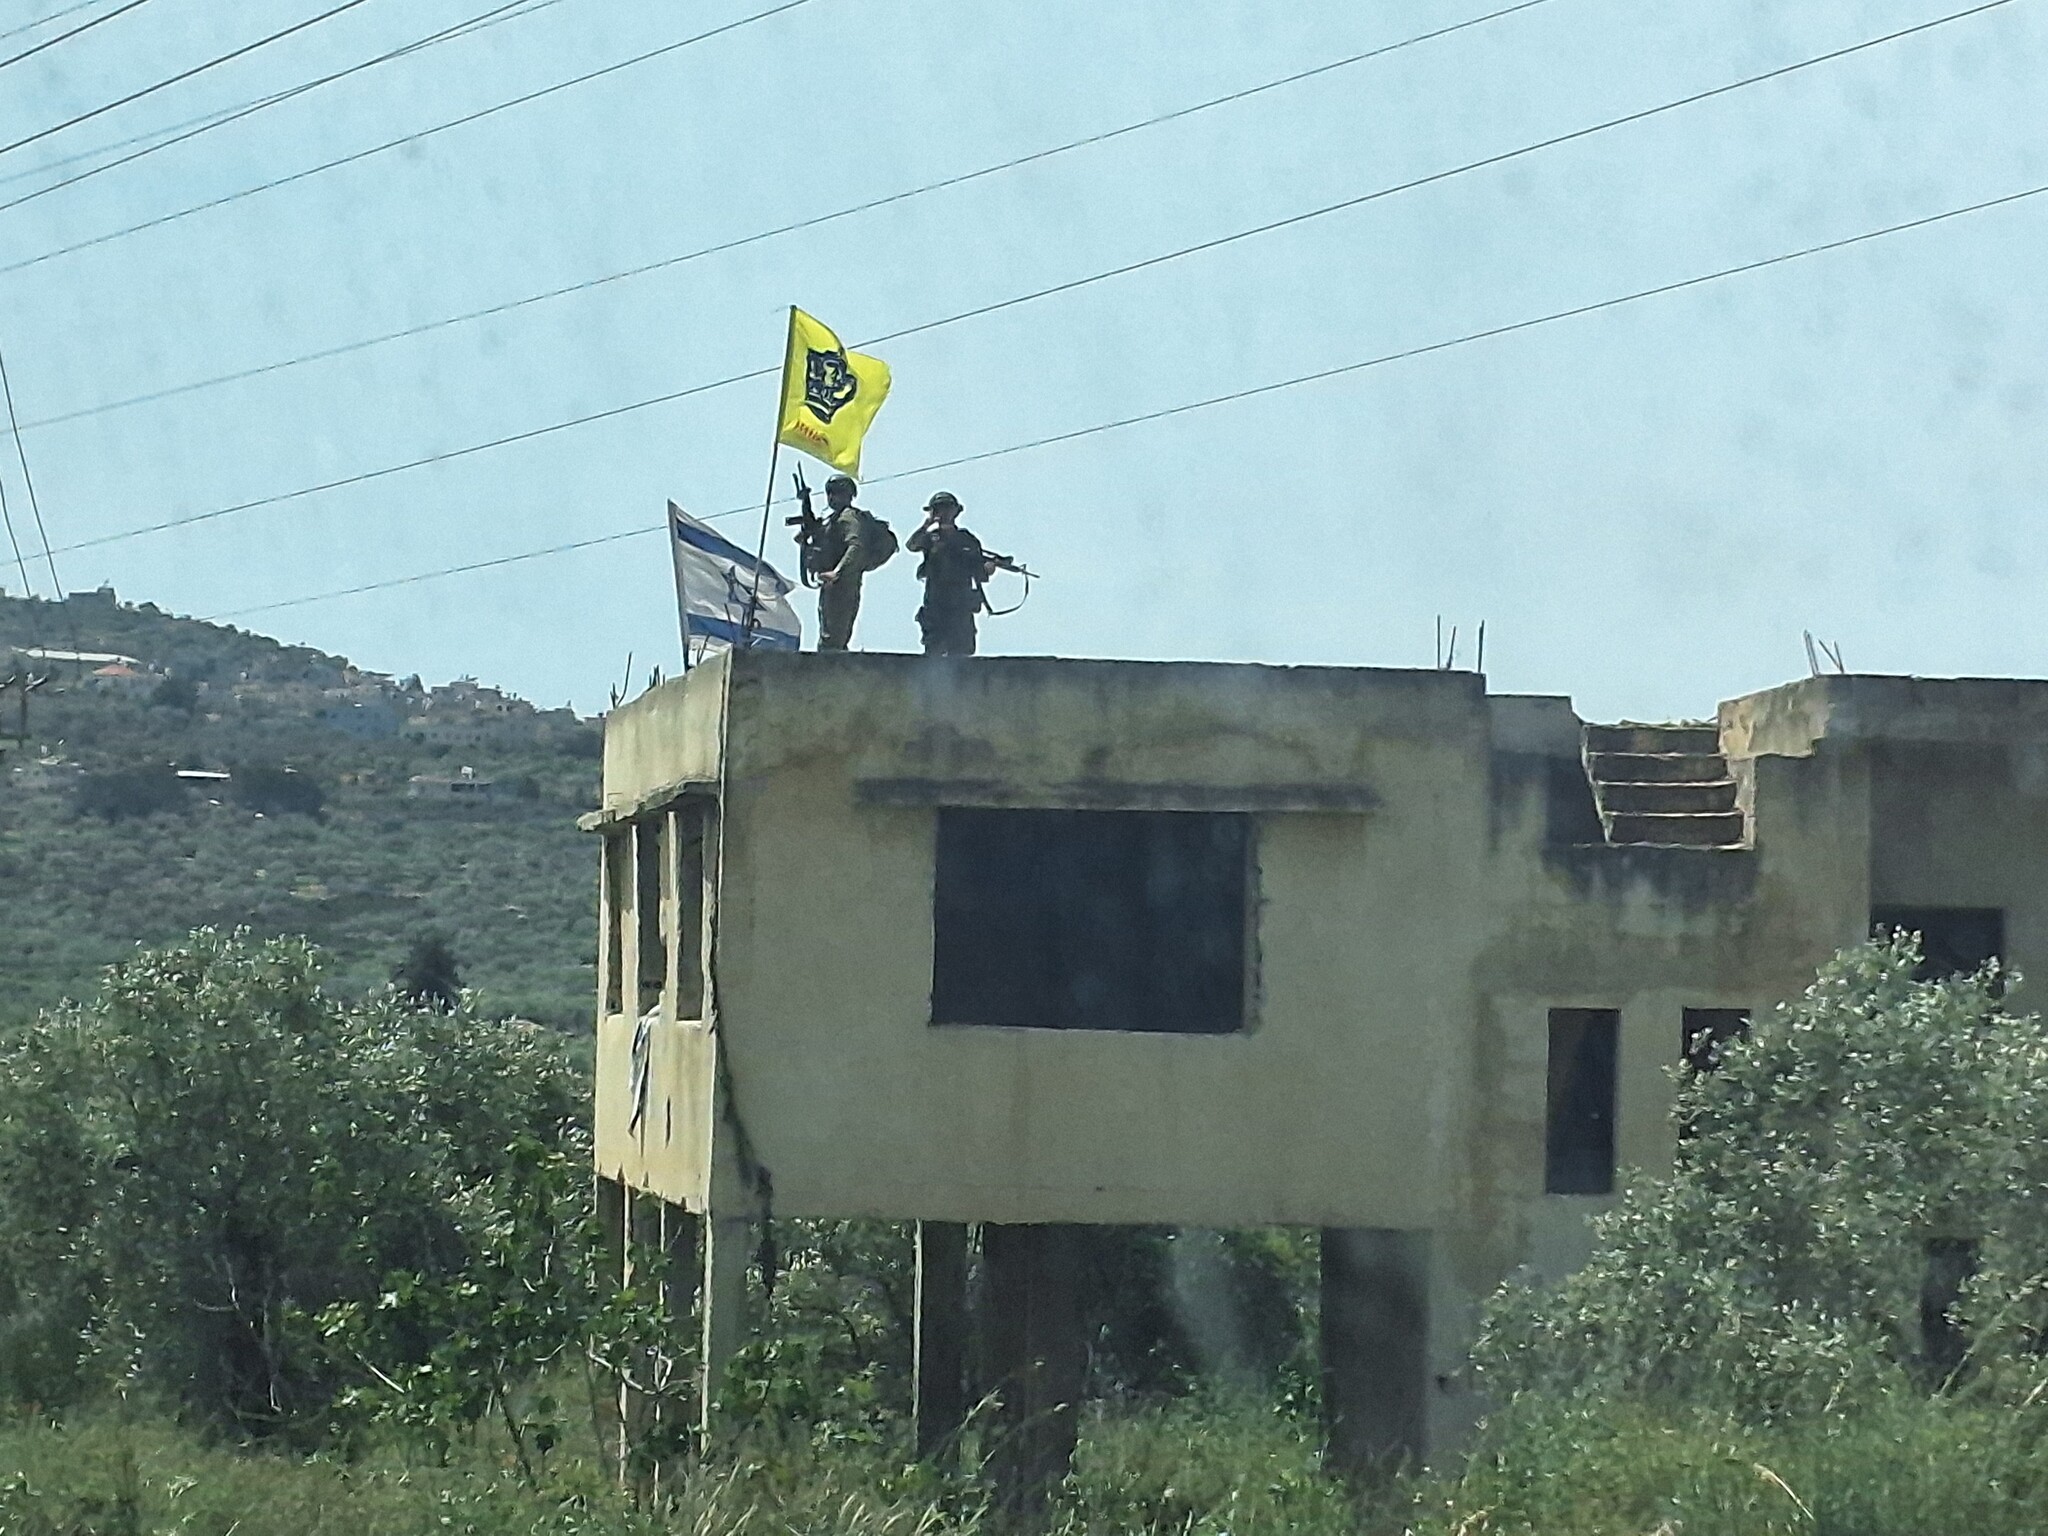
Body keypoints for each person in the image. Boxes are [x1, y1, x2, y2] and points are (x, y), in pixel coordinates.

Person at [796, 474, 883, 651]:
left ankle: (833, 672)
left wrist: (838, 572)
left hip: (843, 584)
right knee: (828, 634)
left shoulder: (849, 517)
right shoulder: (832, 520)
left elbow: (856, 546)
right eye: (830, 493)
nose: (831, 497)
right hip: (831, 584)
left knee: (834, 637)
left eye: (837, 493)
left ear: (848, 495)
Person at [907, 491, 996, 656]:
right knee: (934, 652)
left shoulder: (966, 539)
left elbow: (978, 569)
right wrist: (926, 525)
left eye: (947, 509)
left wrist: (986, 569)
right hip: (936, 603)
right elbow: (912, 545)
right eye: (939, 509)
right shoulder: (930, 537)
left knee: (961, 653)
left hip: (960, 605)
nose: (944, 513)